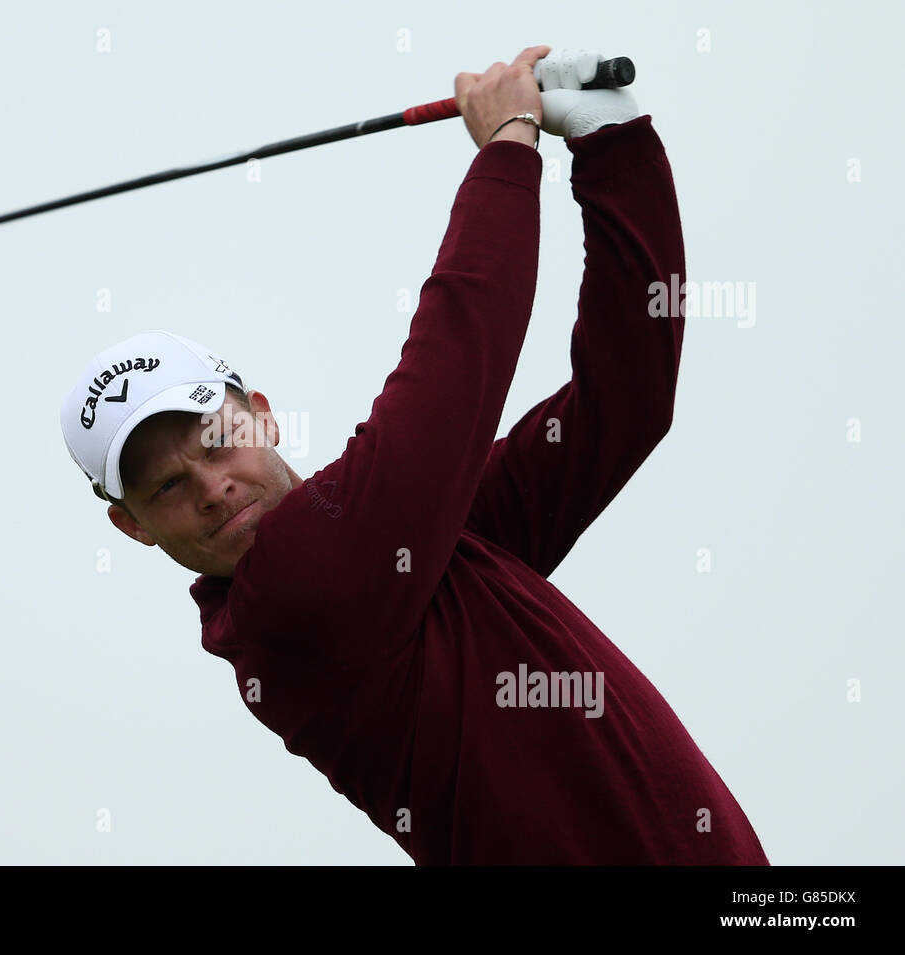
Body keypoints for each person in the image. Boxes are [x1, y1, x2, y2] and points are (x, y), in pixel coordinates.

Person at [59, 46, 770, 865]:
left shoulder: (410, 553)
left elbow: (627, 400)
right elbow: (456, 360)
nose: (214, 487)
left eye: (216, 439)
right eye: (168, 486)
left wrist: (616, 149)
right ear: (132, 526)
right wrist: (507, 146)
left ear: (262, 416)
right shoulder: (292, 595)